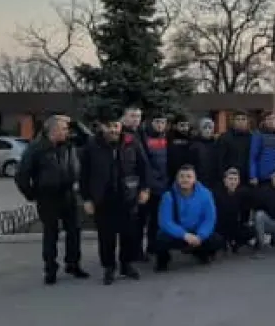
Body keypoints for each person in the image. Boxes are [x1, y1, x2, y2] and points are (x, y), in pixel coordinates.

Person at [80, 107, 150, 285]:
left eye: (116, 126)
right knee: (106, 237)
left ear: (121, 126)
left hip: (128, 196)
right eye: (109, 126)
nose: (113, 130)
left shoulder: (131, 142)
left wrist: (145, 189)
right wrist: (86, 198)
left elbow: (143, 167)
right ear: (102, 127)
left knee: (129, 234)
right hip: (103, 198)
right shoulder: (92, 145)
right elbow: (84, 174)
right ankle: (109, 267)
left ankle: (127, 265)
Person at [15, 115, 89, 285]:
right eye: (64, 129)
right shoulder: (36, 148)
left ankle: (73, 264)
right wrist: (32, 194)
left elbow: (88, 139)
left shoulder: (69, 144)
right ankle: (50, 269)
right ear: (53, 131)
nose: (67, 131)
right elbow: (22, 176)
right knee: (51, 233)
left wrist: (75, 122)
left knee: (74, 231)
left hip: (68, 194)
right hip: (48, 197)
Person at [154, 164, 223, 272]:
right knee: (161, 237)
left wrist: (201, 235)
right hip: (178, 233)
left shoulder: (206, 194)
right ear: (177, 179)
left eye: (189, 176)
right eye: (182, 176)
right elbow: (165, 222)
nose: (185, 179)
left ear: (195, 179)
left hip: (197, 232)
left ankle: (201, 253)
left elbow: (210, 219)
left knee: (216, 239)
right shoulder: (168, 196)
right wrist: (184, 235)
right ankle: (163, 260)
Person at [137, 112, 169, 260]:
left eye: (163, 123)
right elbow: (144, 163)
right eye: (157, 122)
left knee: (156, 219)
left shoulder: (165, 137)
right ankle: (137, 250)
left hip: (162, 185)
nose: (160, 125)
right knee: (141, 220)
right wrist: (149, 182)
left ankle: (152, 246)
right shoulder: (144, 138)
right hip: (148, 185)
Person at [214, 167, 256, 253]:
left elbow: (246, 213)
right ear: (225, 181)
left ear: (238, 181)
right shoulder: (217, 194)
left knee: (251, 231)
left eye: (235, 179)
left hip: (236, 226)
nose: (232, 182)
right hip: (221, 227)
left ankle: (236, 244)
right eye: (230, 179)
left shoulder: (243, 194)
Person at [249, 111, 275, 186]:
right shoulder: (258, 136)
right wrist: (253, 176)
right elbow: (253, 157)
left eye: (273, 119)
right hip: (262, 178)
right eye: (268, 119)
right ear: (264, 121)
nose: (271, 121)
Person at [216, 110, 252, 180]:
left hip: (247, 178)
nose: (241, 121)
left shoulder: (252, 138)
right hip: (230, 178)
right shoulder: (225, 138)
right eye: (238, 119)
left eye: (243, 119)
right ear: (233, 121)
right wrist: (223, 175)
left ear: (247, 121)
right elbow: (219, 159)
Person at [189, 117, 218, 188]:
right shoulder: (194, 145)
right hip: (199, 182)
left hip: (214, 182)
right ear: (200, 129)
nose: (208, 130)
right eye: (205, 128)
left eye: (210, 127)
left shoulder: (217, 145)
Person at [167, 113, 193, 181]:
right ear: (175, 126)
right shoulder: (169, 138)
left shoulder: (192, 139)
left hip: (188, 177)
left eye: (187, 125)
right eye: (182, 125)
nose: (185, 128)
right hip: (172, 177)